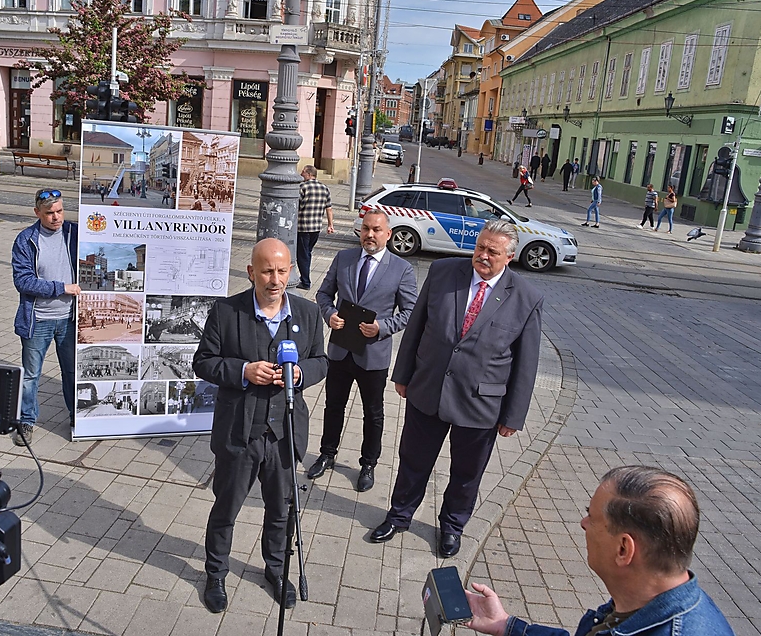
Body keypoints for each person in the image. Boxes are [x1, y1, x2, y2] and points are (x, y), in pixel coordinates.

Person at [369, 220, 543, 558]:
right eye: (480, 247)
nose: (483, 256)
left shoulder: (527, 298)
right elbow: (417, 325)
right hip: (428, 389)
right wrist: (403, 375)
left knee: (466, 473)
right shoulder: (444, 272)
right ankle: (399, 514)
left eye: (493, 252)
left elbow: (526, 364)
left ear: (509, 257)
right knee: (413, 461)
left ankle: (451, 527)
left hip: (481, 404)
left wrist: (514, 415)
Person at [193, 238, 327, 613]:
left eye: (282, 271)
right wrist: (243, 371)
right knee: (226, 507)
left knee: (282, 509)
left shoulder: (307, 313)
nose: (275, 279)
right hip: (239, 430)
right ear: (252, 272)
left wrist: (300, 374)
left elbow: (321, 361)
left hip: (284, 430)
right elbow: (204, 362)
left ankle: (277, 570)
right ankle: (216, 573)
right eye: (267, 270)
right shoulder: (226, 312)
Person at [463, 466, 735, 636]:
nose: (583, 524)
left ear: (623, 549)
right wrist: (507, 625)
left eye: (591, 518)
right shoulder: (642, 604)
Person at [309, 210, 418, 492]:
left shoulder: (401, 269)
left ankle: (368, 463)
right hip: (340, 350)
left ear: (388, 234)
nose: (370, 235)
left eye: (377, 230)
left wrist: (382, 327)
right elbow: (323, 294)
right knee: (333, 405)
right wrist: (329, 314)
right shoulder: (344, 259)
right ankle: (327, 453)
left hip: (373, 353)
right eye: (366, 229)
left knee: (373, 413)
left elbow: (410, 311)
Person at [11, 189, 80, 446]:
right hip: (38, 319)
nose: (56, 217)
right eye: (49, 213)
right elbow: (23, 281)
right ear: (37, 213)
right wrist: (61, 288)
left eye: (60, 211)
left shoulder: (74, 233)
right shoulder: (26, 240)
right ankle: (26, 421)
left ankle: (76, 417)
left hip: (70, 318)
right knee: (30, 375)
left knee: (72, 372)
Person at [296, 165, 334, 289]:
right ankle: (304, 277)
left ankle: (306, 282)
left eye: (303, 172)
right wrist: (330, 225)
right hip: (316, 228)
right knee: (307, 253)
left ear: (309, 174)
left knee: (303, 255)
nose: (301, 174)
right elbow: (329, 208)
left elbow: (295, 206)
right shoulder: (324, 188)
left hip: (303, 227)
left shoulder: (302, 187)